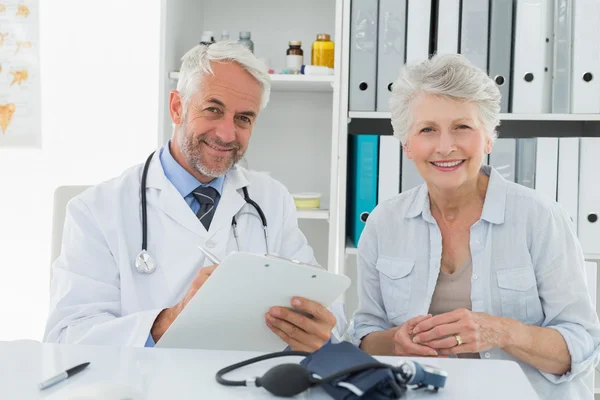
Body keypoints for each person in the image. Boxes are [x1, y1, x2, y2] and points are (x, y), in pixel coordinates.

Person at [44, 41, 346, 351]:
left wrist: (318, 327)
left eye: (244, 118)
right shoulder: (96, 210)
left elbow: (327, 303)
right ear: (177, 107)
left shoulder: (272, 199)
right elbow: (67, 337)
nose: (227, 134)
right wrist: (166, 322)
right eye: (213, 109)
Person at [349, 53, 600, 398]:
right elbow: (365, 335)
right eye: (427, 130)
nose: (445, 147)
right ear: (407, 145)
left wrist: (500, 332)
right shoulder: (383, 223)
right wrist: (395, 341)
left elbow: (581, 344)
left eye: (462, 127)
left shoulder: (540, 217)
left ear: (488, 138)